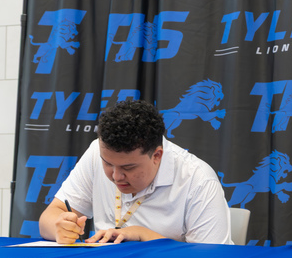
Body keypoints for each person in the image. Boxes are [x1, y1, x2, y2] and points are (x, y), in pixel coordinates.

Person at [39, 100, 232, 245]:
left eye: (128, 168)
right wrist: (59, 227)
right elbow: (49, 217)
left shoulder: (198, 180)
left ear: (157, 155)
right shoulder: (95, 152)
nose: (116, 176)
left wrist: (143, 235)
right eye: (108, 164)